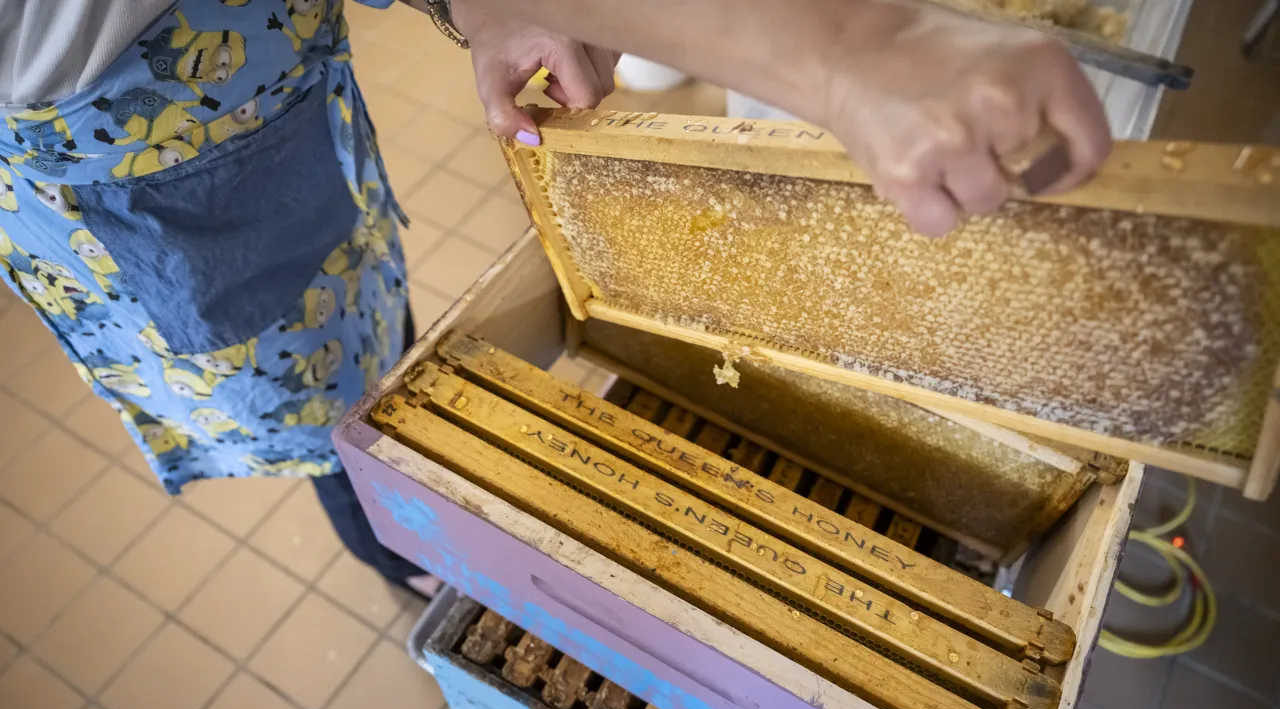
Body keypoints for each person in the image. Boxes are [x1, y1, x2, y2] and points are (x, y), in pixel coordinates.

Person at [0, 0, 1109, 598]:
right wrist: (857, 41)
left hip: (272, 115)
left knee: (366, 336)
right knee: (321, 418)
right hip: (144, 175)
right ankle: (400, 548)